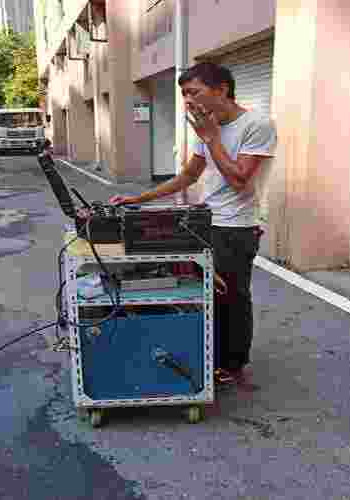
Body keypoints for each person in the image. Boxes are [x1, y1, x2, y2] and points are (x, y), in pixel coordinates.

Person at [109, 62, 277, 386]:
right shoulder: (208, 128)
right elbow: (188, 176)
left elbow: (240, 179)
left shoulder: (256, 124)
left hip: (237, 227)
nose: (187, 100)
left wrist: (211, 137)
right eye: (184, 93)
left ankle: (233, 363)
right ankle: (208, 352)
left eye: (193, 92)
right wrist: (138, 200)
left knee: (232, 297)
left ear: (221, 90)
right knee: (204, 293)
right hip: (205, 220)